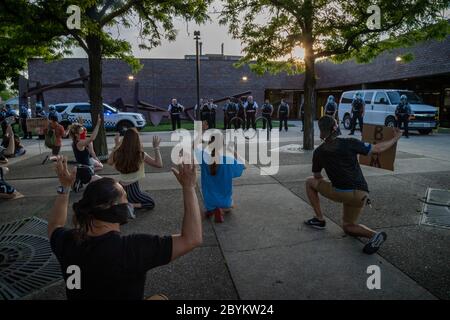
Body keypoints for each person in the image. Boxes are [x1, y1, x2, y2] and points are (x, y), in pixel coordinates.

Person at [48, 156, 202, 300]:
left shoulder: (67, 241)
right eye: (124, 198)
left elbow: (55, 225)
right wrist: (189, 187)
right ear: (110, 207)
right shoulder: (132, 248)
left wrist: (65, 187)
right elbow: (192, 239)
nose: (128, 204)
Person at [304, 115, 403, 254]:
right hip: (361, 194)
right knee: (348, 225)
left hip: (340, 192)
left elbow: (317, 177)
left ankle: (320, 219)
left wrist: (331, 176)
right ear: (335, 128)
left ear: (321, 131)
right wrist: (396, 137)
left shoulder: (319, 152)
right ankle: (374, 235)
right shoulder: (350, 142)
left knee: (309, 182)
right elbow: (378, 149)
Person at [196, 121, 246, 223]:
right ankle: (221, 210)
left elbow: (196, 145)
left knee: (210, 204)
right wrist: (232, 150)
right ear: (222, 144)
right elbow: (243, 166)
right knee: (231, 205)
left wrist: (201, 132)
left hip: (209, 200)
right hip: (225, 201)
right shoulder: (228, 160)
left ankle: (211, 210)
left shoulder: (203, 157)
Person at [108, 129, 163, 212]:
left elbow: (109, 162)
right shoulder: (140, 154)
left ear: (124, 139)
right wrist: (156, 148)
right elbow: (159, 164)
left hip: (121, 188)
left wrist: (116, 146)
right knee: (150, 203)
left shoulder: (118, 152)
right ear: (137, 140)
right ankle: (128, 205)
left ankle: (124, 203)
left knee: (142, 195)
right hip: (132, 190)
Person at [68, 116, 103, 191]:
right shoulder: (80, 143)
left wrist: (80, 124)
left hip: (84, 167)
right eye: (82, 131)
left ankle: (80, 178)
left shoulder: (77, 140)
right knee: (104, 182)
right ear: (77, 135)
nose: (84, 131)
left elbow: (81, 132)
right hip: (85, 171)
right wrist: (98, 125)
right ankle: (81, 179)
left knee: (100, 168)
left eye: (84, 130)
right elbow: (92, 138)